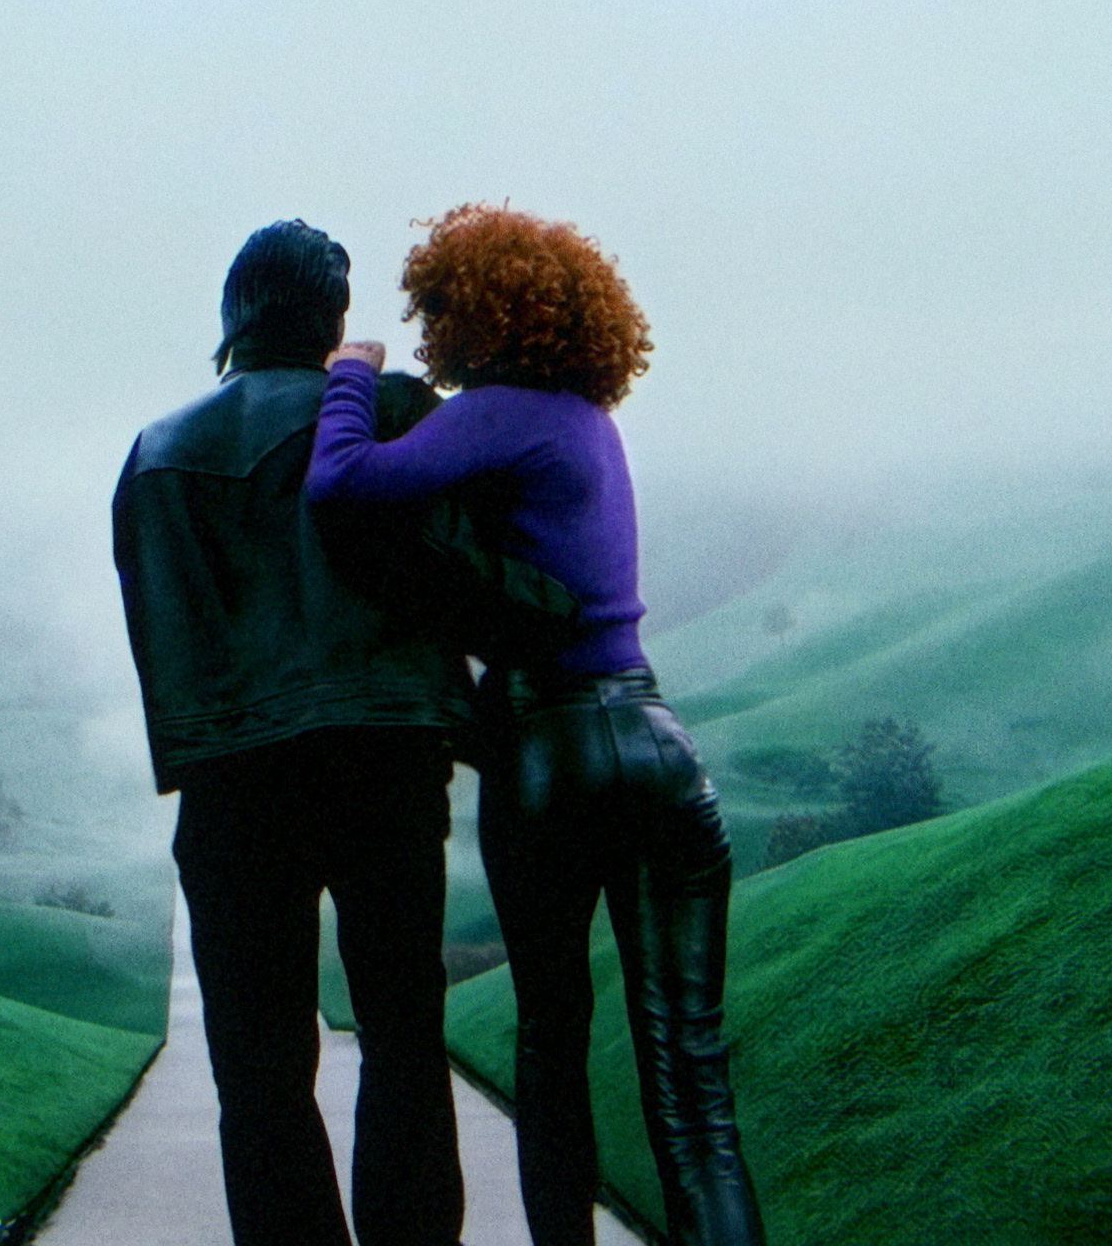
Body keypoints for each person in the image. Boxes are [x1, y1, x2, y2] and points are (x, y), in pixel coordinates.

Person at [305, 204, 767, 1246]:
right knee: (693, 1086)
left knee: (552, 1052)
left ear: (476, 312)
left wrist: (351, 374)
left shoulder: (498, 413)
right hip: (654, 741)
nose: (431, 334)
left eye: (437, 311)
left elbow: (340, 484)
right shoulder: (591, 423)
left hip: (550, 750)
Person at [111, 219, 470, 1246]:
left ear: (234, 314)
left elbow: (159, 635)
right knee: (404, 1040)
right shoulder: (392, 414)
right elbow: (453, 573)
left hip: (233, 786)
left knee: (259, 1077)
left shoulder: (158, 455)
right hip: (386, 763)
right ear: (332, 319)